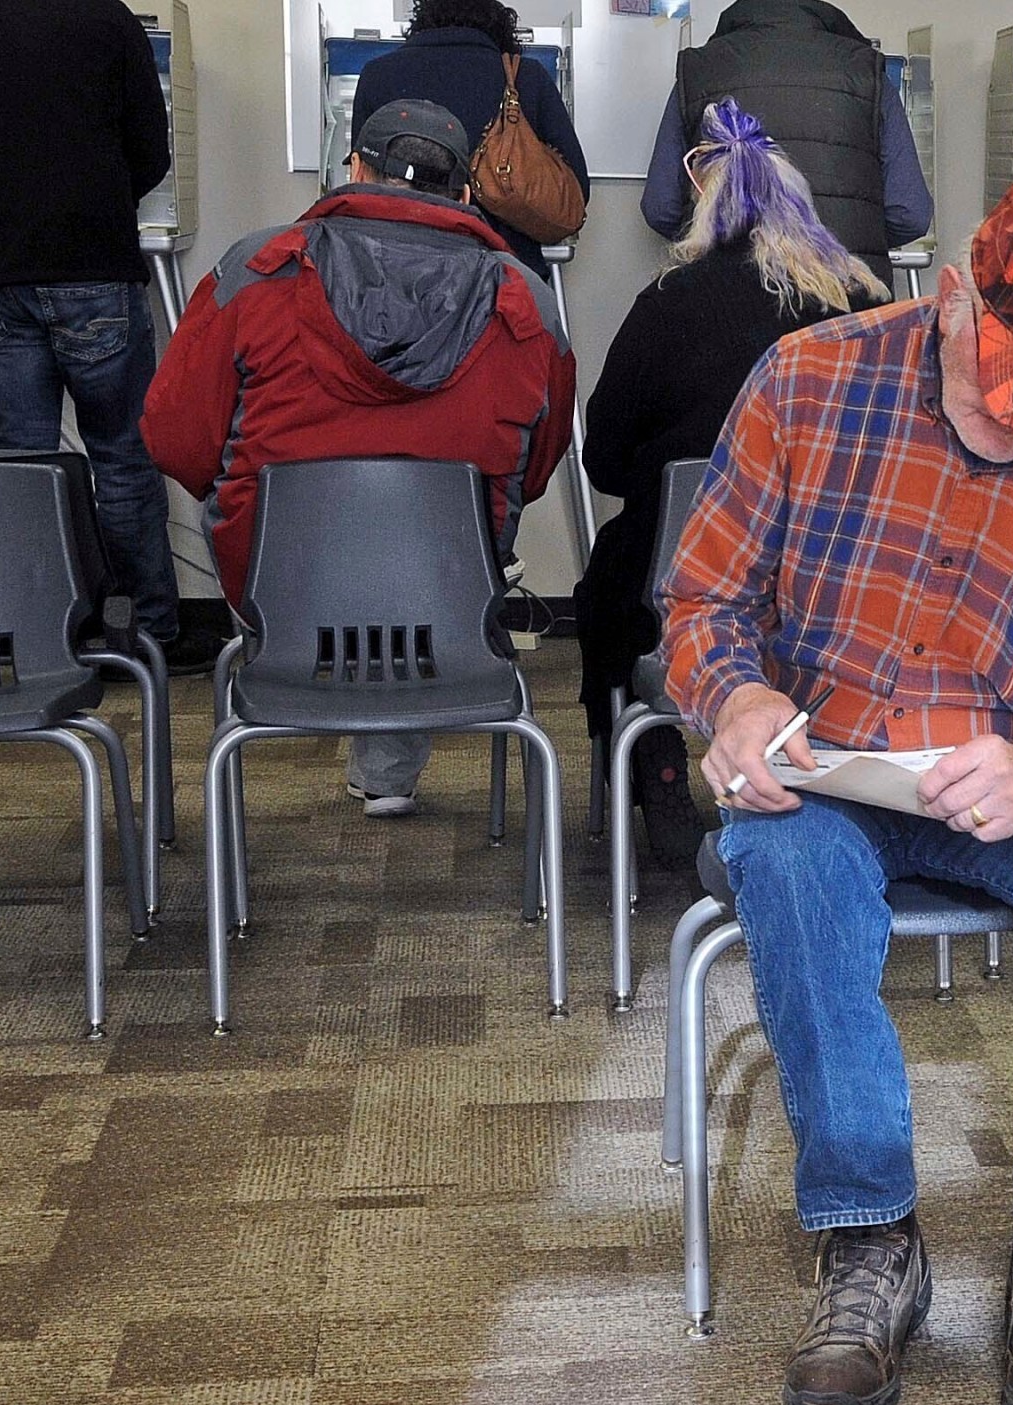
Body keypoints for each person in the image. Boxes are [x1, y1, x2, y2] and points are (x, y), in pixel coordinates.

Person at [660, 170, 1013, 1405]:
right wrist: (733, 702)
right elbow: (706, 606)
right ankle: (870, 1245)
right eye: (1001, 391)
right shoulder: (805, 381)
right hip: (831, 766)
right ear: (951, 298)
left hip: (1010, 780)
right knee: (783, 863)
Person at [140, 100, 575, 818]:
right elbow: (534, 465)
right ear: (465, 192)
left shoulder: (255, 270)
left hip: (273, 594)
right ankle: (388, 770)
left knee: (300, 528)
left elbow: (174, 439)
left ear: (353, 170)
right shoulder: (524, 299)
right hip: (449, 597)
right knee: (446, 550)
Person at [578, 99, 887, 867]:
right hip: (842, 597)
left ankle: (657, 761)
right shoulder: (864, 306)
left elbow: (605, 460)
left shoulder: (665, 303)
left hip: (676, 583)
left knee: (609, 591)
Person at [0, 0, 214, 671]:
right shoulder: (106, 17)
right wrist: (94, 196)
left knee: (24, 468)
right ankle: (150, 635)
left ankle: (40, 637)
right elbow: (150, 151)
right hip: (93, 263)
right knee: (123, 458)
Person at [642, 0, 931, 289]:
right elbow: (910, 214)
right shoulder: (868, 72)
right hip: (845, 297)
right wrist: (854, 238)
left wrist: (724, 236)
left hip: (728, 297)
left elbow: (661, 207)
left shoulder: (698, 71)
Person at [351, 0, 592, 276]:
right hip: (507, 277)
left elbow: (362, 184)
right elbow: (574, 190)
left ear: (422, 17)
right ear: (498, 22)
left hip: (395, 271)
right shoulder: (526, 77)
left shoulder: (377, 74)